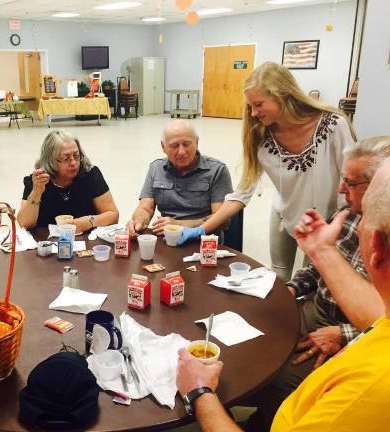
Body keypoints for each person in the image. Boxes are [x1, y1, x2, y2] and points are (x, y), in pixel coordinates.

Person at [176, 157, 390, 432]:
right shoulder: (379, 326)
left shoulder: (368, 389)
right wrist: (323, 253)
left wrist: (200, 393)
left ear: (375, 248)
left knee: (269, 372)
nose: (341, 191)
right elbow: (373, 316)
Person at [245, 136, 390, 431]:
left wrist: (345, 333)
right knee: (251, 339)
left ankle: (262, 420)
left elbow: (379, 321)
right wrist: (291, 289)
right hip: (314, 308)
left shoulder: (377, 233)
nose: (340, 190)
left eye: (351, 183)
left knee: (276, 377)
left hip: (342, 327)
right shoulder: (346, 215)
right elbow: (316, 272)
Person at [179, 62, 356, 280]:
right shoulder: (260, 137)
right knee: (279, 278)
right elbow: (242, 194)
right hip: (285, 214)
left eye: (259, 104)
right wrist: (202, 229)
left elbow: (352, 179)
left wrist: (340, 225)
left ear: (282, 95)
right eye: (251, 106)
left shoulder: (333, 125)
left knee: (317, 280)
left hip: (328, 219)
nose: (253, 113)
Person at [126, 119, 233, 239]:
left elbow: (222, 220)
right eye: (174, 145)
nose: (182, 151)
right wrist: (137, 222)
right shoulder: (156, 168)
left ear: (197, 142)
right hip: (168, 241)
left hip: (205, 244)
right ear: (163, 147)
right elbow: (145, 208)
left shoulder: (216, 170)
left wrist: (180, 225)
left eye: (187, 144)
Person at [17, 130, 119, 232]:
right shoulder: (38, 180)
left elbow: (113, 215)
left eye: (76, 156)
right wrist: (36, 192)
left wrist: (89, 221)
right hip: (47, 243)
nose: (73, 162)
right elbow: (25, 224)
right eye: (65, 158)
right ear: (50, 160)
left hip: (87, 242)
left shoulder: (90, 174)